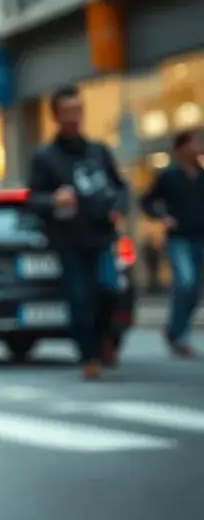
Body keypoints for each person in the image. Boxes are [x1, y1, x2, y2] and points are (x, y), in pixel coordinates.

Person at [27, 85, 129, 379]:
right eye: (67, 111)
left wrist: (117, 208)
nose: (74, 116)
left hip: (102, 235)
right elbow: (32, 199)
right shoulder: (45, 157)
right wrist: (53, 199)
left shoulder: (98, 151)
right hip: (68, 239)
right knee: (80, 297)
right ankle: (89, 356)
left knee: (109, 289)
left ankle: (105, 336)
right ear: (56, 115)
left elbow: (120, 188)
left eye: (78, 109)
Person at [140, 130, 204, 356]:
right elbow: (147, 201)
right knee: (185, 282)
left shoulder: (201, 175)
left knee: (194, 288)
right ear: (182, 147)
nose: (199, 146)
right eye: (194, 142)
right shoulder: (168, 176)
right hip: (179, 238)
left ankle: (177, 331)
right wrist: (163, 216)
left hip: (200, 236)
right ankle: (177, 332)